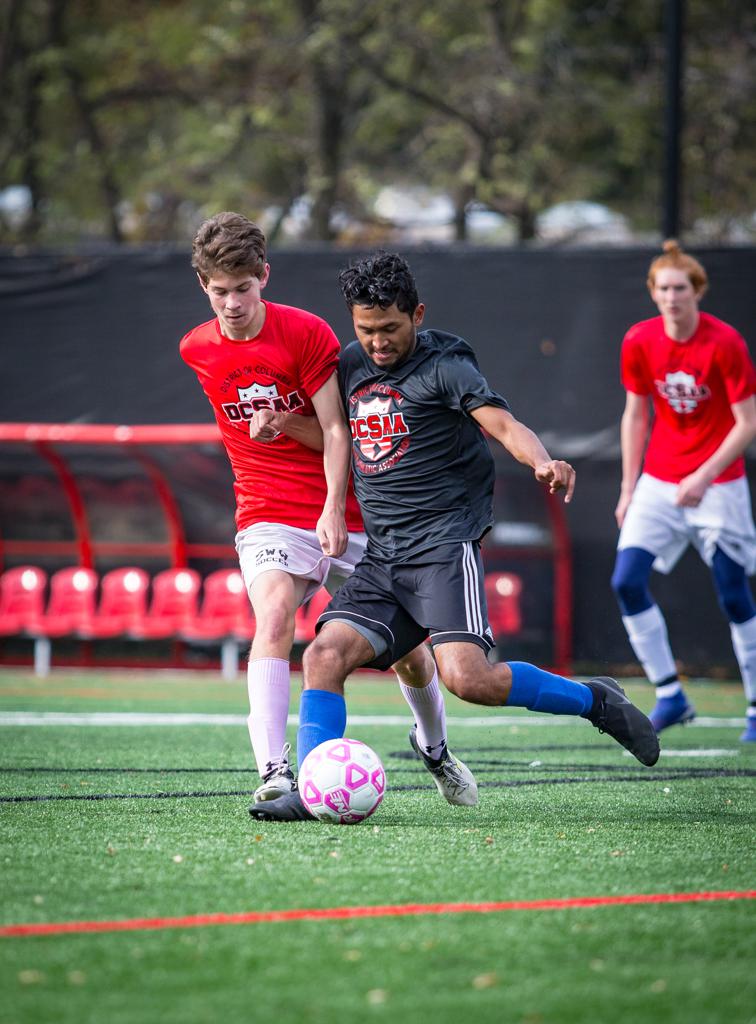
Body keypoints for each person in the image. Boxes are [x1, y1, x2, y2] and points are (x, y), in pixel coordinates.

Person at [251, 251, 659, 822]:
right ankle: (316, 787)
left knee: (470, 680)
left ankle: (596, 700)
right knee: (322, 656)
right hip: (384, 552)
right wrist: (283, 425)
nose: (378, 342)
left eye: (390, 328)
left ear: (417, 314)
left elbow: (502, 424)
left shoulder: (448, 363)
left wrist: (542, 461)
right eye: (366, 330)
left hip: (443, 546)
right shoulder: (349, 366)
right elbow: (340, 438)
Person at [181, 215, 477, 809]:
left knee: (411, 656)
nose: (233, 302)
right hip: (265, 510)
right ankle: (274, 772)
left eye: (244, 287)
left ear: (264, 277)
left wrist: (330, 507)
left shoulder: (307, 334)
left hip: (344, 508)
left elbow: (339, 433)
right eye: (220, 291)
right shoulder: (196, 349)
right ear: (203, 287)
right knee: (273, 618)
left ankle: (436, 748)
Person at [611, 240, 756, 741]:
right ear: (653, 294)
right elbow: (635, 414)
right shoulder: (639, 340)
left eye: (681, 288)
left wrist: (704, 476)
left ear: (697, 292)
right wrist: (629, 488)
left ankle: (755, 707)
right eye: (664, 288)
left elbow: (746, 423)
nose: (673, 297)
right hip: (659, 480)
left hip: (719, 484)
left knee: (733, 593)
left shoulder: (725, 343)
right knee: (626, 581)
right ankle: (671, 695)